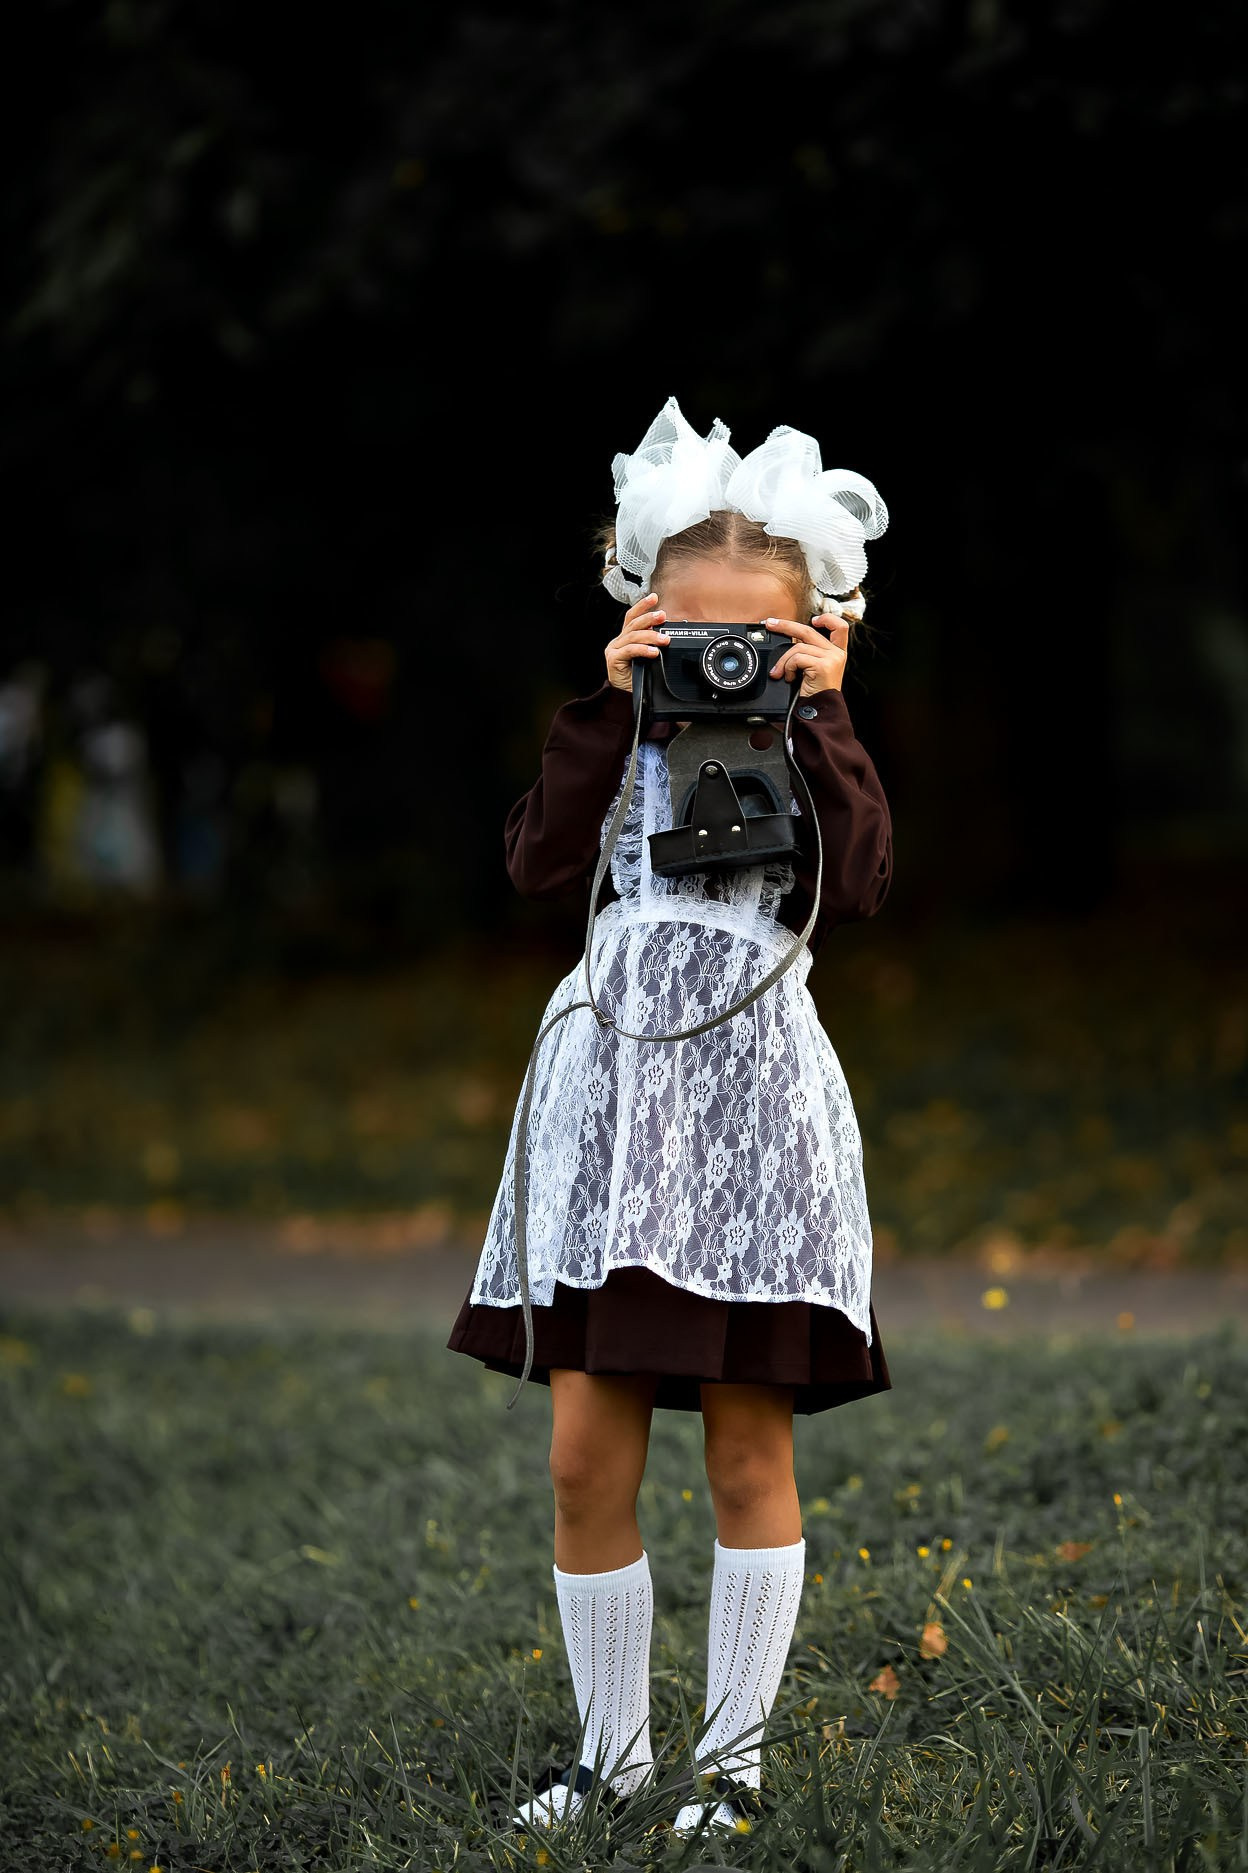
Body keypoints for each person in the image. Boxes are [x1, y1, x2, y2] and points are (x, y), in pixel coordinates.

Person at [447, 395, 894, 1840]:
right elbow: (534, 864)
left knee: (748, 1448)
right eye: (689, 629)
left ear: (813, 630)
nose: (722, 660)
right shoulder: (616, 734)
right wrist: (608, 700)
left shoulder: (815, 739)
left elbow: (868, 881)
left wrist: (816, 709)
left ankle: (735, 1773)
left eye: (753, 641)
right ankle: (610, 1761)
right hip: (614, 1111)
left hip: (747, 1122)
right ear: (642, 613)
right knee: (586, 1452)